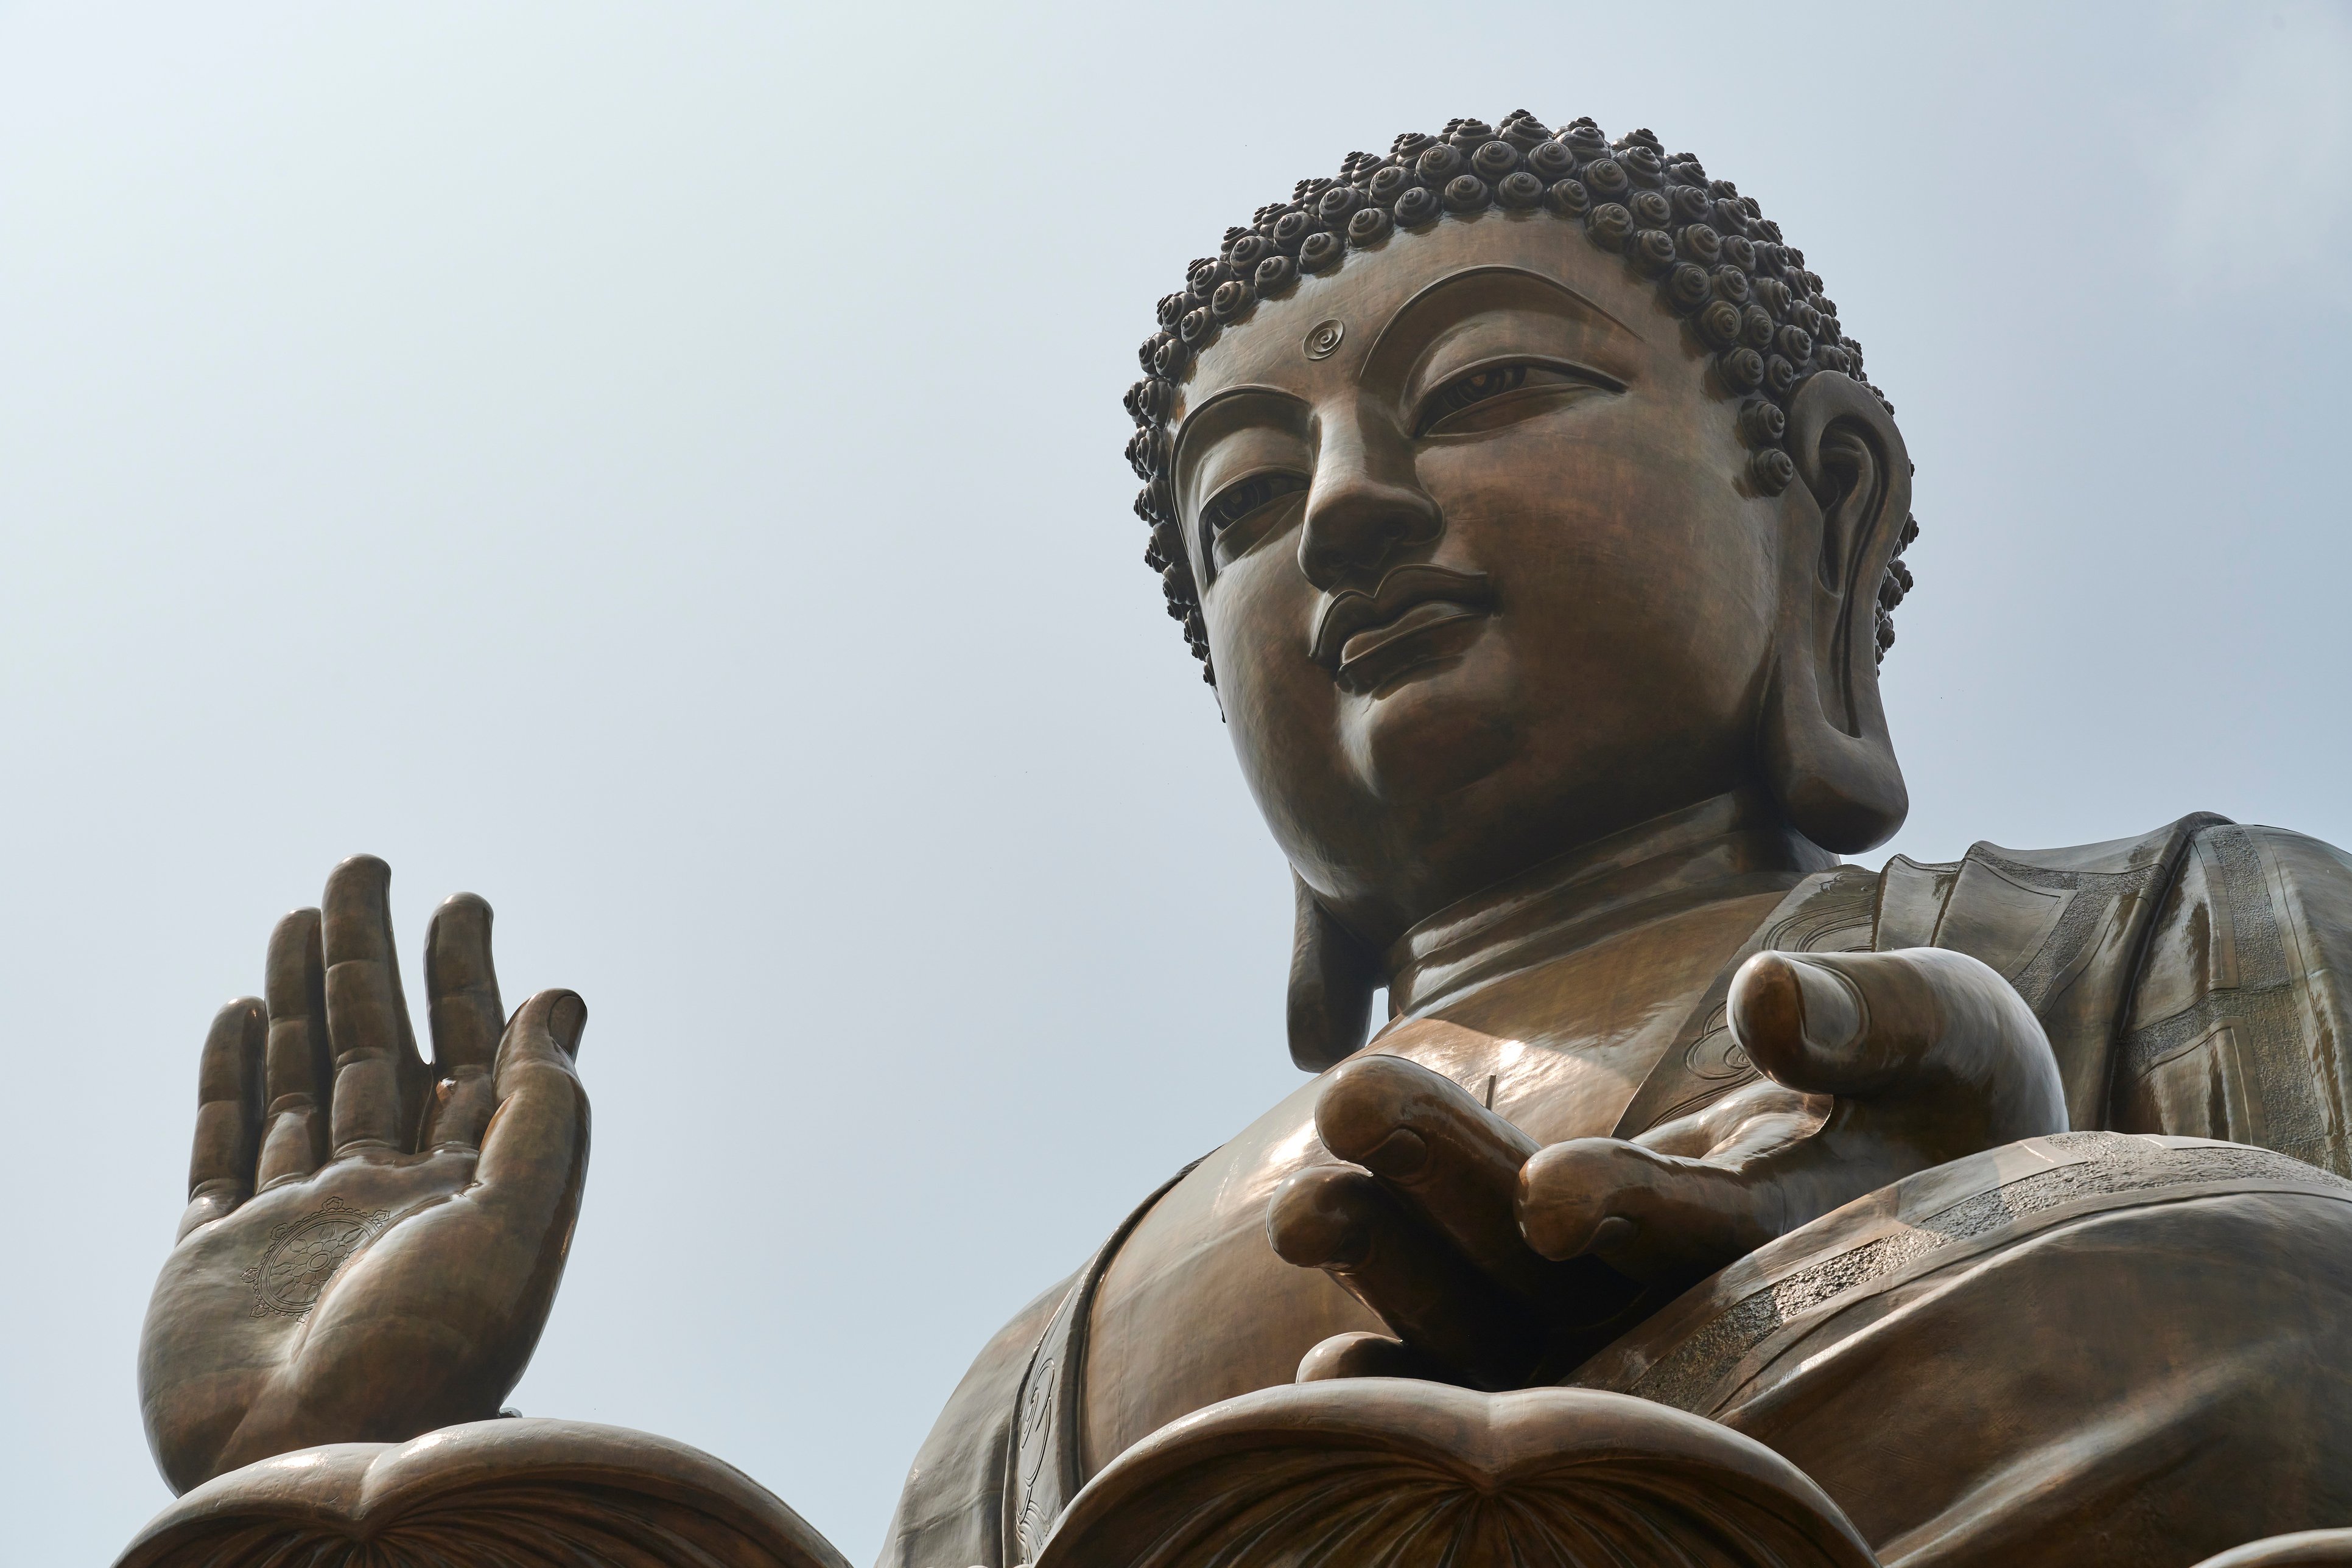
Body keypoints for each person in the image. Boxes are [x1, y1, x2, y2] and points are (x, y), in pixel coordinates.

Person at [139, 115, 2352, 1568]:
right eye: (1245, 507)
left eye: (1489, 387)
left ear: (1829, 508)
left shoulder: (2182, 926)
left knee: (2225, 1279)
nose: (1354, 508)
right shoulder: (1037, 1374)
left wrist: (1957, 1220)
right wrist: (330, 1474)